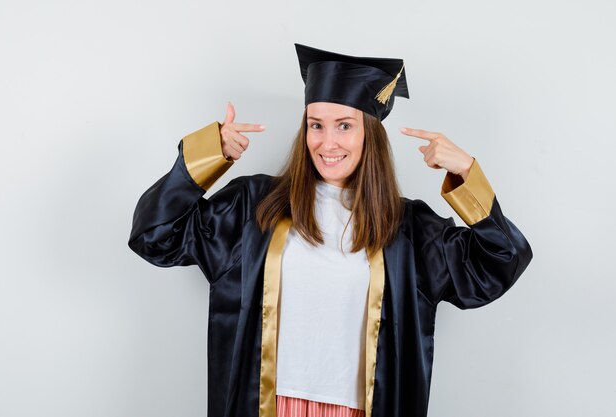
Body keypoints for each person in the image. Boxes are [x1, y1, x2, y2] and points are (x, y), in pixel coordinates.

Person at [128, 43, 532, 417]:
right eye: (316, 125)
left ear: (369, 134)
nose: (327, 142)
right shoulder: (254, 207)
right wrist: (206, 155)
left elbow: (501, 261)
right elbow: (154, 234)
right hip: (269, 404)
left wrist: (466, 174)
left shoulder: (408, 230)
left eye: (344, 126)